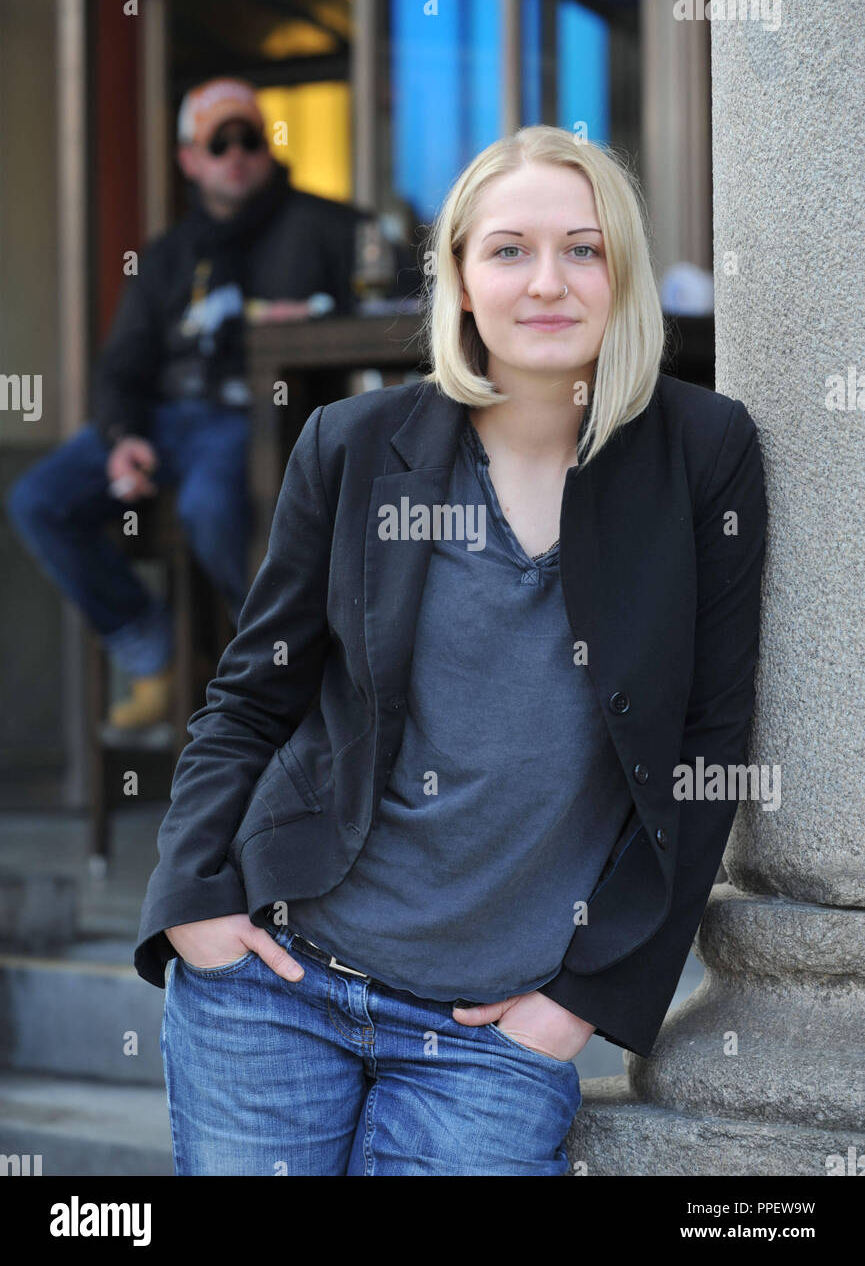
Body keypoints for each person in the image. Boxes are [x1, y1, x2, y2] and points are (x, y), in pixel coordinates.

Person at [134, 125, 767, 1176]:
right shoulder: (352, 444)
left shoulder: (702, 452)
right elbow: (253, 696)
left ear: (623, 274)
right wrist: (192, 893)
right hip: (275, 982)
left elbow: (708, 744)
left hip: (492, 1035)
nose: (547, 281)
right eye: (508, 249)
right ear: (462, 281)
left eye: (584, 248)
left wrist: (584, 1000)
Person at [5, 77, 367, 729]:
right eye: (218, 141)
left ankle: (275, 673)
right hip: (165, 420)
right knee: (38, 499)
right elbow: (122, 365)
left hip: (257, 418)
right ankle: (157, 657)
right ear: (189, 159)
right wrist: (122, 438)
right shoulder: (168, 253)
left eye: (249, 138)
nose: (236, 153)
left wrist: (314, 315)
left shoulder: (328, 226)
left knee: (212, 505)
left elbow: (395, 307)